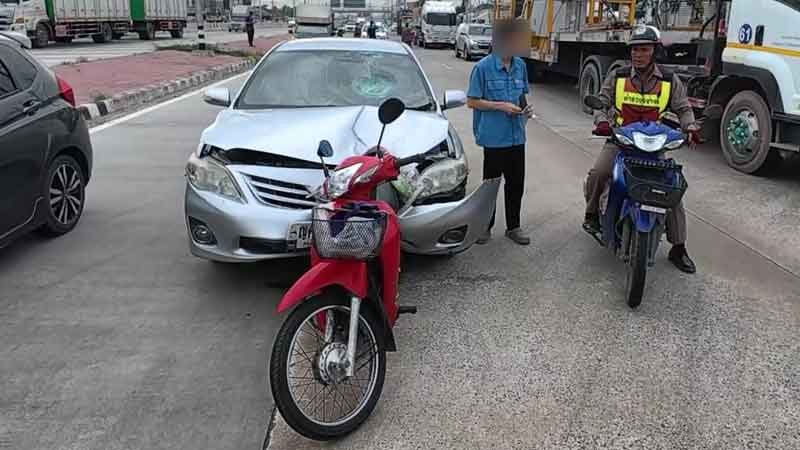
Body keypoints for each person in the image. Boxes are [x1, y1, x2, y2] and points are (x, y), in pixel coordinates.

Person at [582, 25, 702, 274]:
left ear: (654, 51)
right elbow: (601, 101)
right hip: (621, 142)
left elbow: (683, 108)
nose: (638, 54)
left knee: (672, 191)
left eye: (644, 49)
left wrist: (690, 127)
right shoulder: (618, 76)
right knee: (599, 173)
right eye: (635, 49)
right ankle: (591, 215)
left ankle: (678, 247)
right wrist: (602, 121)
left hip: (653, 147)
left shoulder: (669, 80)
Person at [466, 19, 534, 246]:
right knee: (491, 185)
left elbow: (522, 95)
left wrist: (526, 109)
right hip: (494, 138)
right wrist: (500, 106)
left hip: (517, 136)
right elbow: (472, 101)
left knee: (516, 184)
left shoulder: (520, 66)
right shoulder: (482, 68)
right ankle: (485, 227)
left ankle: (513, 227)